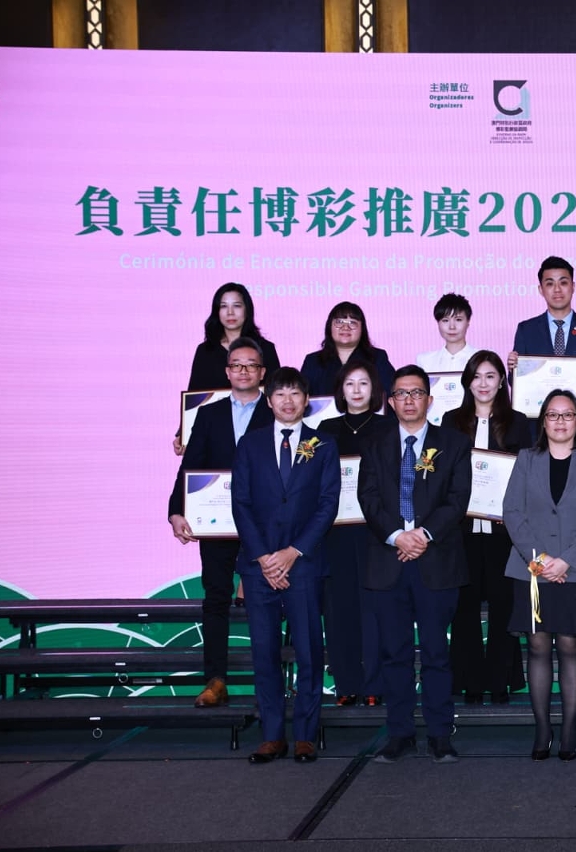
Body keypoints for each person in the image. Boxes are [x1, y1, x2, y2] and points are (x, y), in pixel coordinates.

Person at [358, 366, 473, 764]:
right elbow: (368, 498)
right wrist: (397, 536)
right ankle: (400, 734)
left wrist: (421, 535)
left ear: (430, 399)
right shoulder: (374, 444)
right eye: (401, 394)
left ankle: (440, 734)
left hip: (435, 560)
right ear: (390, 401)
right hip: (388, 560)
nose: (409, 400)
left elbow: (457, 498)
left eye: (417, 393)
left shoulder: (454, 443)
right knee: (395, 653)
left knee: (438, 653)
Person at [231, 367, 340, 764]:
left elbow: (328, 504)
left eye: (295, 394)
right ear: (269, 399)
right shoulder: (250, 444)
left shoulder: (323, 444)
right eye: (280, 394)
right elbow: (240, 503)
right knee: (264, 653)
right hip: (258, 567)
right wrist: (264, 557)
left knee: (309, 651)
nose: (288, 401)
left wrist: (293, 552)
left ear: (306, 400)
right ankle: (272, 734)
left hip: (304, 564)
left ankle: (306, 735)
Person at [503, 391, 576, 761]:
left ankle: (567, 731)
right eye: (553, 414)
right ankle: (542, 730)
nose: (560, 421)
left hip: (573, 571)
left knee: (568, 646)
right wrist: (540, 560)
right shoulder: (526, 460)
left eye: (567, 415)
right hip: (530, 569)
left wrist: (566, 561)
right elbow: (512, 511)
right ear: (543, 421)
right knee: (536, 647)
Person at [167, 337, 274, 708]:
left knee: (267, 600)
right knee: (215, 598)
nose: (244, 371)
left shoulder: (276, 411)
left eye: (251, 365)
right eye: (237, 365)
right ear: (227, 371)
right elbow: (190, 466)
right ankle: (215, 681)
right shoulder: (209, 414)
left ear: (262, 372)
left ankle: (269, 683)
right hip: (217, 523)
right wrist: (176, 510)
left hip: (264, 524)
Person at [440, 351, 532, 704]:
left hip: (504, 533)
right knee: (463, 609)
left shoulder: (518, 422)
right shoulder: (451, 421)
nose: (483, 383)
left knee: (502, 607)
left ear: (501, 381)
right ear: (467, 381)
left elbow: (526, 474)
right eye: (476, 376)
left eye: (490, 376)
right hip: (460, 530)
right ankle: (470, 682)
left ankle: (499, 681)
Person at [317, 360, 394, 707]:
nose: (357, 390)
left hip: (376, 531)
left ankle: (375, 683)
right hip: (335, 531)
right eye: (350, 384)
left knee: (375, 609)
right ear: (341, 390)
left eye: (364, 383)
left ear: (374, 390)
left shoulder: (387, 427)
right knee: (339, 609)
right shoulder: (325, 429)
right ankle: (346, 683)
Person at [174, 282, 280, 455]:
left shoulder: (265, 348)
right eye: (224, 306)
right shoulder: (205, 351)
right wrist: (183, 433)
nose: (230, 312)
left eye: (236, 306)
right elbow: (194, 394)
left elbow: (276, 391)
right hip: (215, 431)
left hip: (259, 430)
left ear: (247, 310)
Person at [508, 256, 576, 370]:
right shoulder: (526, 330)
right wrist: (513, 369)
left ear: (573, 287)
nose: (557, 289)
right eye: (550, 284)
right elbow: (518, 377)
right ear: (541, 290)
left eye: (563, 283)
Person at [299, 301, 396, 398]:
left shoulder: (377, 358)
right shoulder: (313, 361)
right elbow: (302, 398)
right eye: (339, 322)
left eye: (352, 323)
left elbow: (391, 394)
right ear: (329, 327)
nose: (345, 327)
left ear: (362, 329)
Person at [418, 293, 478, 373]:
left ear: (468, 322)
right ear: (438, 323)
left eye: (458, 320)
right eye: (445, 320)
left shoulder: (482, 359)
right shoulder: (425, 361)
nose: (452, 327)